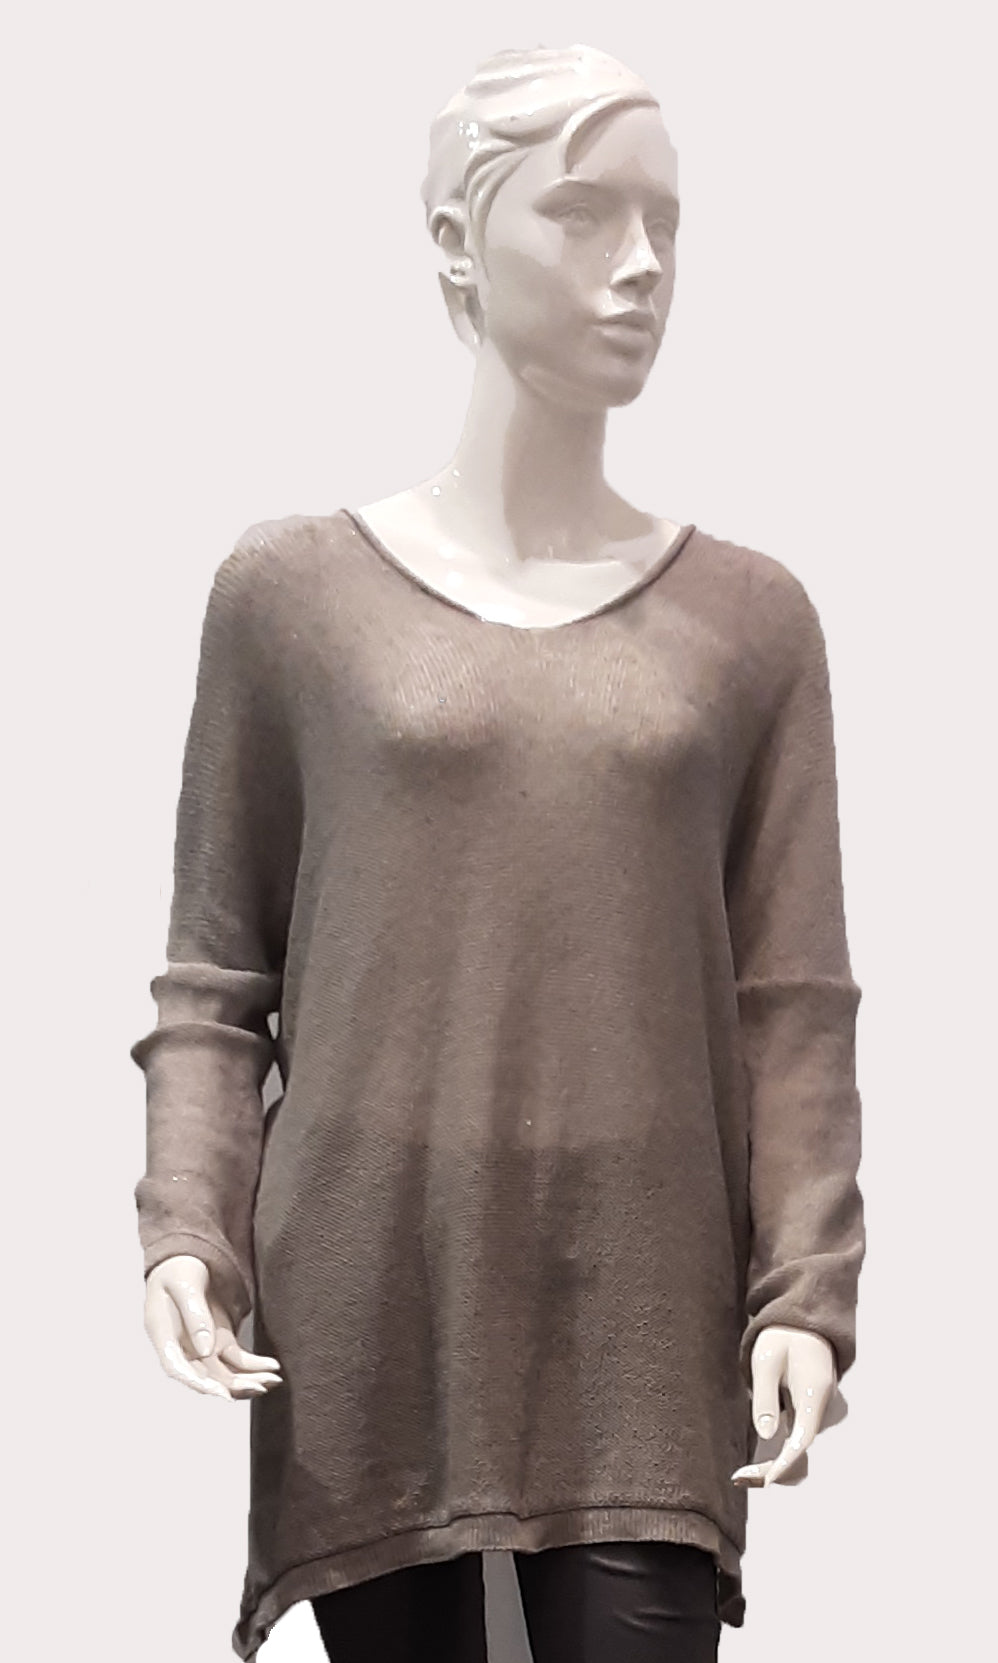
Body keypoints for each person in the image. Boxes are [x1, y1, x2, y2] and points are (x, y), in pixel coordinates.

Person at [130, 43, 865, 1663]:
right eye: (585, 213)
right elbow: (215, 978)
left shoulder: (751, 621)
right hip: (368, 1297)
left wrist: (806, 1289)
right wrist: (188, 1225)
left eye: (667, 223)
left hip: (643, 1312)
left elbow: (792, 1003)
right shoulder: (291, 599)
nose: (642, 265)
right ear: (457, 241)